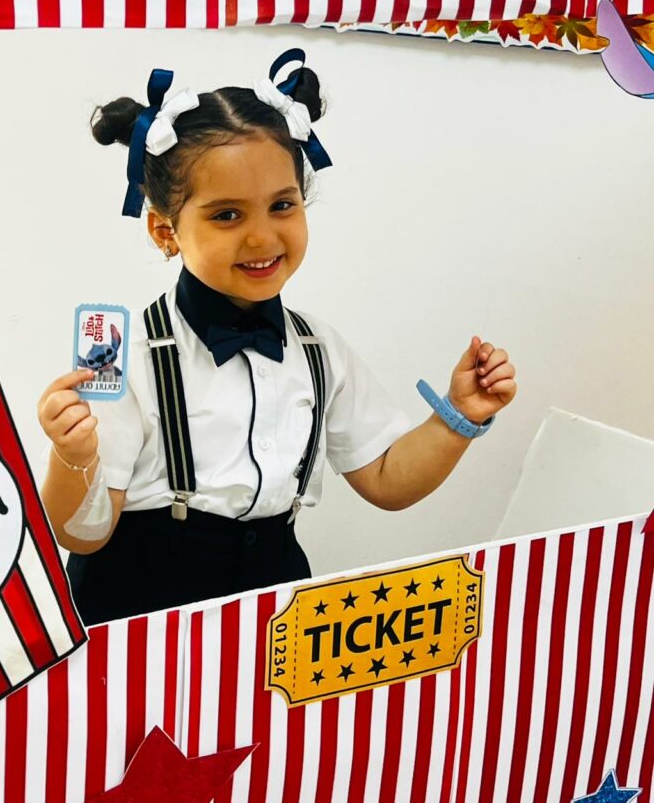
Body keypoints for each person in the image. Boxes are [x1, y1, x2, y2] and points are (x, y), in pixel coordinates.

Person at [37, 50, 517, 626]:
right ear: (165, 231)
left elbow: (387, 478)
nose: (262, 237)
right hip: (142, 602)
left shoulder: (318, 348)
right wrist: (73, 456)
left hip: (274, 592)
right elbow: (81, 535)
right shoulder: (122, 353)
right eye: (227, 215)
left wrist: (458, 418)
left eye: (282, 205)